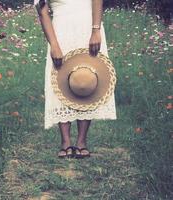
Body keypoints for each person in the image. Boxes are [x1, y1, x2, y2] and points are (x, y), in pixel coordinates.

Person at [34, 0, 117, 158]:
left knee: (87, 79)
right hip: (60, 30)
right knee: (61, 79)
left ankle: (81, 141)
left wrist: (96, 30)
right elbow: (42, 11)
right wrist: (54, 45)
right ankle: (65, 142)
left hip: (88, 25)